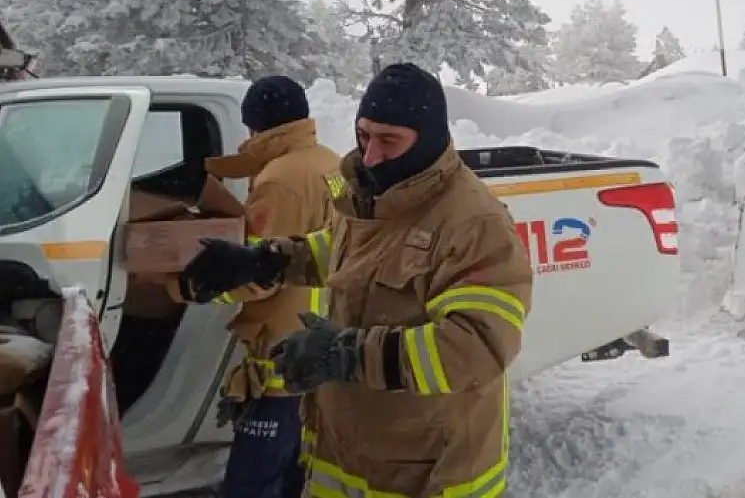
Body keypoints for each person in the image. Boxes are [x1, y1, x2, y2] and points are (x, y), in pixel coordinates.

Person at [177, 63, 534, 498]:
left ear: (430, 139)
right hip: (351, 452)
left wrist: (345, 355)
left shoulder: (473, 222)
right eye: (364, 135)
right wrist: (263, 261)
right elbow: (344, 252)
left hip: (427, 470)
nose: (370, 155)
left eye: (389, 141)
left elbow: (477, 347)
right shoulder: (373, 195)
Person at [170, 75, 343, 498]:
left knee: (251, 484)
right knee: (293, 476)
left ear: (257, 127)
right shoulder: (328, 162)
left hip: (283, 352)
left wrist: (188, 288)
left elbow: (261, 276)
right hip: (318, 342)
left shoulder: (280, 180)